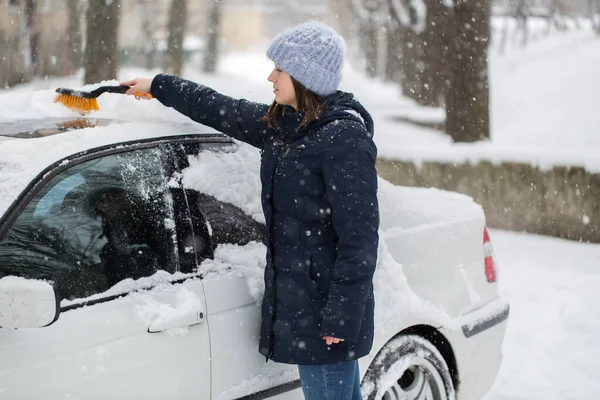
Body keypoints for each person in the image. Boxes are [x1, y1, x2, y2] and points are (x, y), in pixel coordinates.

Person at [121, 20, 379, 400]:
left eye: (280, 69)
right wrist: (159, 85)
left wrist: (341, 315)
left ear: (305, 77)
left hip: (324, 308)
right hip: (304, 300)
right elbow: (220, 108)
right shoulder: (283, 125)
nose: (270, 76)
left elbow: (360, 238)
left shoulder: (342, 140)